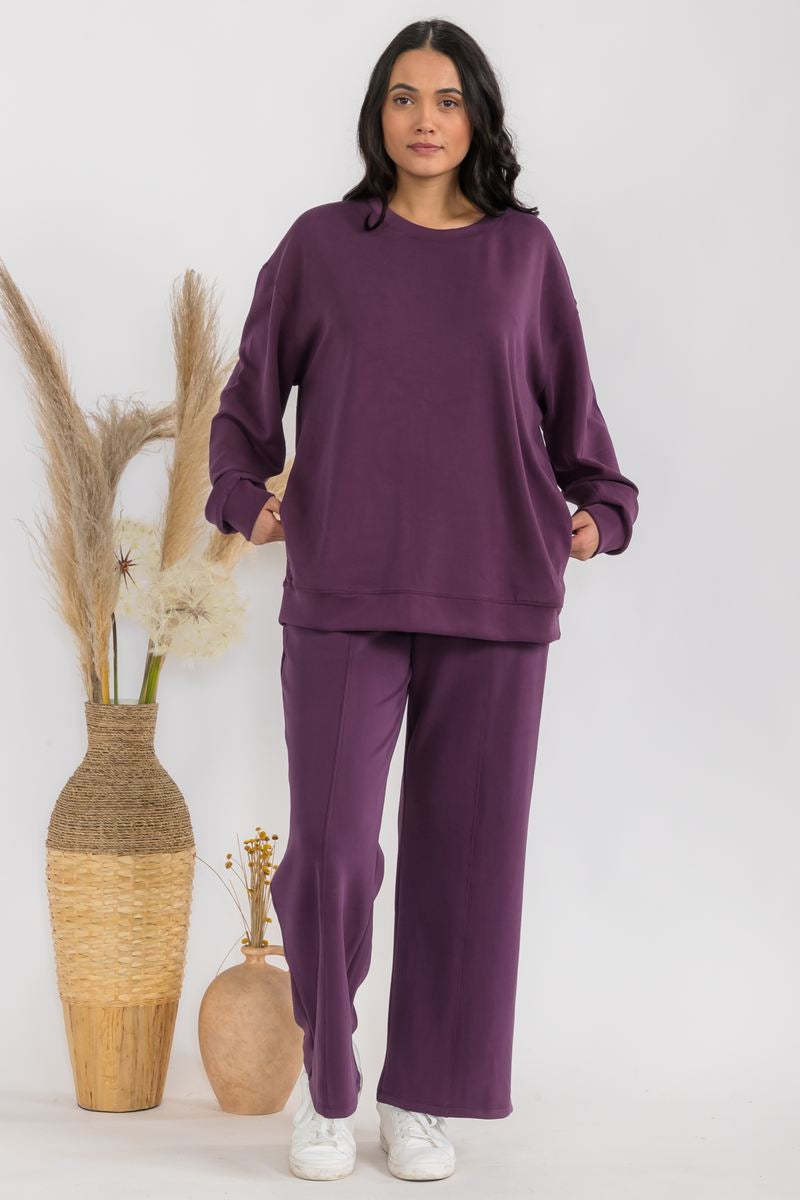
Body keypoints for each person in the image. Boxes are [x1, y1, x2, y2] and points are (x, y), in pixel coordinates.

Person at [205, 18, 639, 1184]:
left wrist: (600, 509)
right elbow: (247, 403)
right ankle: (327, 1086)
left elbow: (572, 416)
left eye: (447, 99)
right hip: (343, 587)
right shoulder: (320, 245)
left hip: (497, 589)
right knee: (331, 853)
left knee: (466, 861)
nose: (425, 119)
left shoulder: (522, 254)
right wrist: (243, 497)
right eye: (403, 97)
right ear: (377, 114)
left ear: (477, 117)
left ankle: (421, 1096)